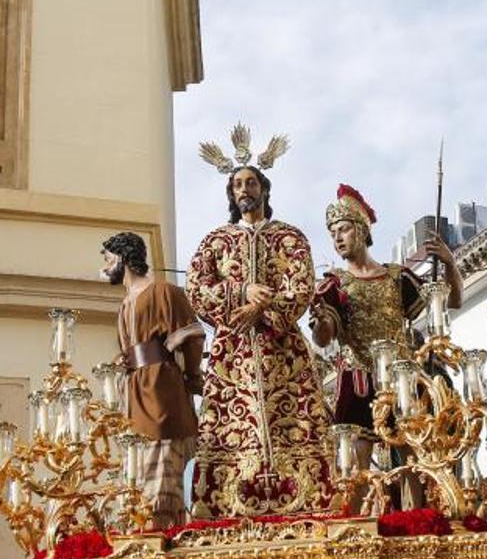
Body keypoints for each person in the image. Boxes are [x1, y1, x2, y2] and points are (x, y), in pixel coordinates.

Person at [186, 160, 334, 518]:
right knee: (226, 426)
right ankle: (225, 503)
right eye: (237, 185)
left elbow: (300, 286)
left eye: (251, 183)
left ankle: (308, 498)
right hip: (232, 353)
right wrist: (241, 293)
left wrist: (260, 310)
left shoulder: (290, 238)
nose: (244, 190)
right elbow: (196, 287)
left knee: (297, 419)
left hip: (282, 350)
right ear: (231, 194)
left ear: (264, 189)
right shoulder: (216, 241)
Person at [310, 184, 462, 509]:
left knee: (412, 458)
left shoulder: (397, 277)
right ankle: (361, 528)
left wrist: (449, 264)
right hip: (357, 381)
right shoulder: (334, 284)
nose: (337, 238)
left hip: (401, 380)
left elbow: (452, 302)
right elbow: (323, 337)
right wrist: (321, 321)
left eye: (344, 229)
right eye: (332, 232)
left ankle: (416, 521)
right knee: (355, 467)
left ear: (362, 231)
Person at [100, 232, 205, 530]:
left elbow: (192, 335)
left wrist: (193, 376)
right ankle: (140, 531)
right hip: (133, 394)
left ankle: (159, 534)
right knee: (135, 473)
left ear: (122, 258)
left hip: (160, 391)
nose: (106, 267)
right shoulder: (124, 304)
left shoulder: (164, 292)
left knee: (161, 474)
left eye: (108, 259)